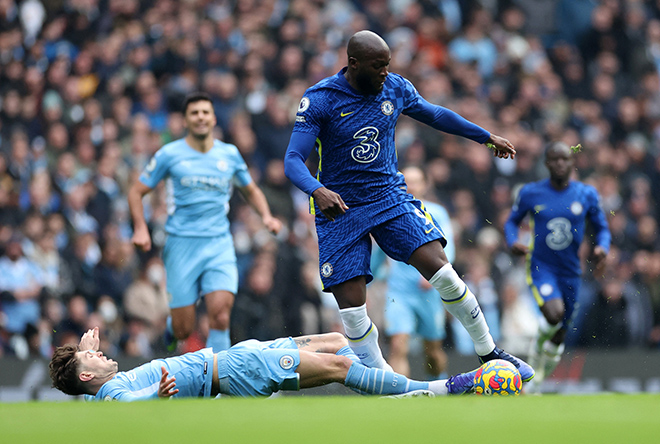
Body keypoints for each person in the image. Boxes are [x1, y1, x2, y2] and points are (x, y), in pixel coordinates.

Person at [283, 30, 533, 382]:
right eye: (378, 66)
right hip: (338, 207)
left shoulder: (395, 87)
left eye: (387, 65)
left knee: (443, 272)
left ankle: (488, 352)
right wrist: (317, 190)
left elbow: (434, 114)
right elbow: (293, 160)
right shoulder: (321, 99)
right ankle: (385, 381)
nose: (385, 71)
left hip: (388, 196)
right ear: (354, 64)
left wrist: (485, 136)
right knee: (354, 310)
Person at [128, 92, 282, 353]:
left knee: (220, 315)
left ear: (213, 119)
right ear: (186, 121)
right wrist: (141, 228)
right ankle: (171, 328)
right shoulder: (170, 154)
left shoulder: (229, 155)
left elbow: (251, 190)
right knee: (183, 328)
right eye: (194, 113)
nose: (200, 117)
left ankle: (220, 382)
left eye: (205, 112)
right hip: (181, 245)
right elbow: (136, 191)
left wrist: (266, 216)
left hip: (218, 243)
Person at [48, 326, 479, 400]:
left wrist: (83, 351)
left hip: (234, 357)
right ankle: (437, 388)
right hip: (238, 370)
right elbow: (126, 403)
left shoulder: (95, 393)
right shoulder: (113, 392)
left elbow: (85, 391)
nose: (100, 352)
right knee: (342, 368)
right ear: (88, 376)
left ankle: (388, 387)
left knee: (335, 340)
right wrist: (154, 394)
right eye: (93, 357)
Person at [504, 141, 611, 388]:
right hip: (541, 266)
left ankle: (538, 378)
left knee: (561, 334)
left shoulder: (586, 194)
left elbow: (602, 228)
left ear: (573, 163)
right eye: (555, 159)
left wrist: (602, 248)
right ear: (547, 163)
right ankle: (536, 353)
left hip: (572, 271)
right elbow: (511, 222)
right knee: (554, 313)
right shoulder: (531, 193)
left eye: (565, 159)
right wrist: (512, 241)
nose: (560, 163)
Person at [372, 166, 454, 379]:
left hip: (428, 291)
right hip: (399, 291)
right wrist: (370, 277)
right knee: (398, 345)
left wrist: (433, 273)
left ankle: (438, 385)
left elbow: (448, 247)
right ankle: (402, 398)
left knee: (433, 352)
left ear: (425, 185)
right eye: (406, 181)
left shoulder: (437, 213)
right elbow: (380, 252)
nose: (410, 186)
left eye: (416, 181)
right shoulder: (388, 214)